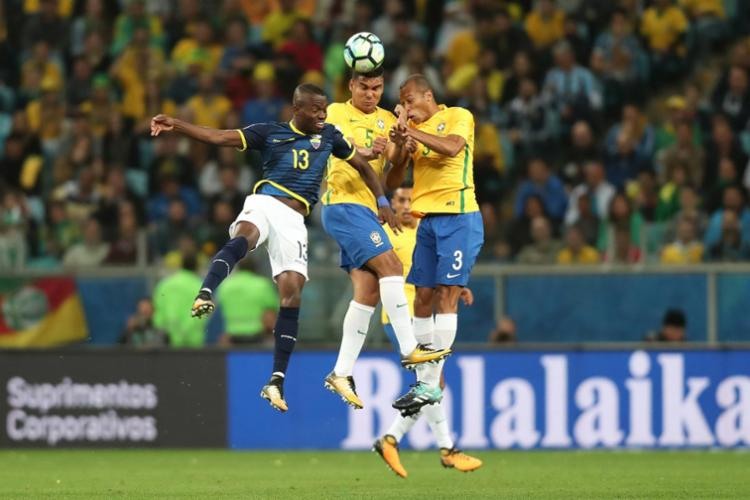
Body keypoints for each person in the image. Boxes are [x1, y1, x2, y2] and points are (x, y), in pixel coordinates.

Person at [150, 83, 440, 413]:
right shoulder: (268, 133)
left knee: (292, 293)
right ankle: (205, 292)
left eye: (324, 109)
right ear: (296, 110)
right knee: (244, 236)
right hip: (267, 201)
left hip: (294, 220)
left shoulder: (330, 136)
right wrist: (178, 124)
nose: (321, 114)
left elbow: (361, 165)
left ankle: (276, 380)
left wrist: (382, 199)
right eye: (315, 110)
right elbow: (218, 137)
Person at [321, 67, 451, 410]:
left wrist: (396, 146)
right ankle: (411, 347)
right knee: (392, 266)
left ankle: (341, 372)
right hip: (344, 203)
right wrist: (370, 148)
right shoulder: (337, 112)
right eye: (363, 87)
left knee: (368, 291)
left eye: (377, 88)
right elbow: (345, 150)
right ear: (351, 86)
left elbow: (391, 180)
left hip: (369, 210)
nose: (370, 94)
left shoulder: (385, 119)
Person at [386, 74, 483, 467]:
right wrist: (398, 144)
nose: (407, 107)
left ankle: (427, 386)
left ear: (428, 95)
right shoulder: (415, 131)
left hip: (459, 214)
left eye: (410, 100)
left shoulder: (458, 116)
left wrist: (414, 133)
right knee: (423, 297)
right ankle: (429, 388)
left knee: (445, 294)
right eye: (403, 103)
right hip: (427, 221)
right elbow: (392, 181)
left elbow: (452, 148)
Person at [374, 184, 482, 477]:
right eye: (401, 199)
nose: (407, 205)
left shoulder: (423, 232)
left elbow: (436, 270)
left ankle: (394, 439)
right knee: (435, 383)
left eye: (411, 199)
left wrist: (458, 289)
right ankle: (445, 449)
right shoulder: (386, 234)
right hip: (399, 319)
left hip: (424, 316)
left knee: (434, 384)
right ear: (392, 204)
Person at [216, 258, 278, 346]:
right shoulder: (262, 285)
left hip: (231, 337)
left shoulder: (225, 286)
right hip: (257, 337)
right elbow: (270, 314)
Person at [152, 253, 207, 348]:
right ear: (197, 267)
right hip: (192, 341)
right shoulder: (200, 286)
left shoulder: (165, 284)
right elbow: (202, 313)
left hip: (167, 341)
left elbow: (158, 311)